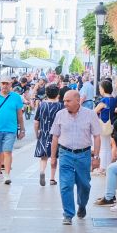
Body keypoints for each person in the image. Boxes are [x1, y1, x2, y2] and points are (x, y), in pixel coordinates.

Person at [49, 90, 103, 224]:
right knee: (66, 185)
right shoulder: (60, 115)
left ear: (78, 100)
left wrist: (96, 157)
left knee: (84, 185)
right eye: (64, 101)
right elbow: (55, 136)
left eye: (68, 101)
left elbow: (97, 136)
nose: (65, 103)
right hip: (65, 154)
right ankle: (68, 214)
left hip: (83, 155)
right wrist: (53, 157)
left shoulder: (90, 114)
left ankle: (82, 205)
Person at [32, 84, 65, 187]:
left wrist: (36, 133)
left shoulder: (42, 105)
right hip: (57, 134)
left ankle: (42, 171)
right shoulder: (61, 106)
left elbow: (36, 122)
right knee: (54, 156)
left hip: (44, 133)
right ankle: (52, 178)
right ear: (58, 94)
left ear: (46, 93)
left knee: (43, 156)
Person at [94, 79, 117, 173]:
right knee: (108, 147)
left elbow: (94, 112)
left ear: (103, 89)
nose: (100, 90)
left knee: (103, 147)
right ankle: (107, 166)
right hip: (110, 124)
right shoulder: (113, 99)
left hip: (103, 125)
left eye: (100, 88)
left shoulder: (103, 100)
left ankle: (102, 168)